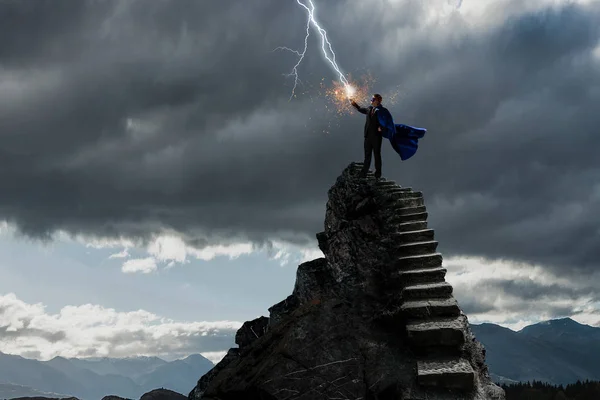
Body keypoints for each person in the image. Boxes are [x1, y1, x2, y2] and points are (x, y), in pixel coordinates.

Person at [350, 94, 387, 179]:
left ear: (377, 101)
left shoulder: (382, 110)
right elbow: (359, 109)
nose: (371, 101)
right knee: (367, 155)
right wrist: (352, 102)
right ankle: (363, 174)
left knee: (377, 155)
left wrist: (381, 127)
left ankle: (378, 174)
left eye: (373, 99)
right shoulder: (369, 109)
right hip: (367, 136)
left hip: (376, 137)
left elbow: (386, 121)